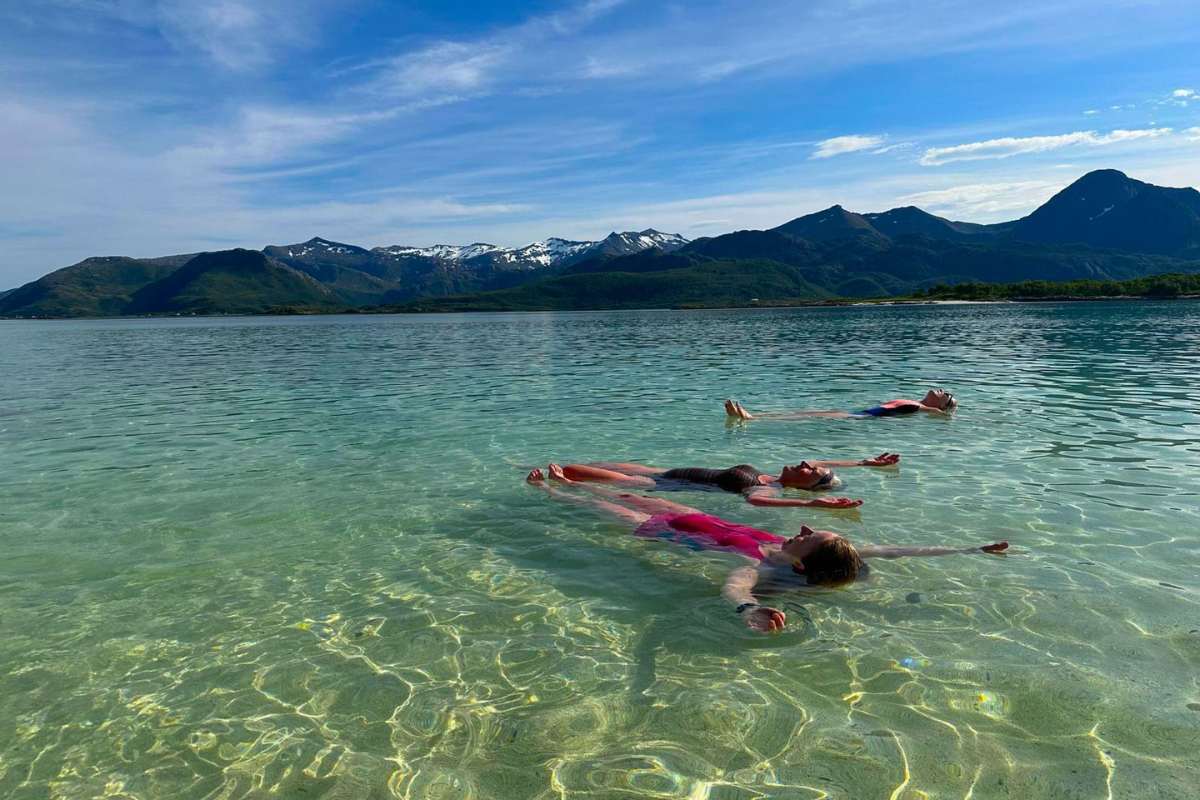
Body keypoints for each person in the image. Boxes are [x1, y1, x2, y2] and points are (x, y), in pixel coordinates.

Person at [526, 468, 1009, 633]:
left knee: (612, 510)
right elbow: (897, 550)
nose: (800, 526)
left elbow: (734, 585)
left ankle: (554, 491)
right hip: (699, 515)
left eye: (806, 535)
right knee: (632, 491)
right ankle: (572, 480)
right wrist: (967, 548)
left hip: (663, 530)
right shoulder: (793, 552)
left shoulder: (755, 566)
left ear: (802, 561)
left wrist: (747, 611)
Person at [543, 452, 901, 510]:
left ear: (807, 486)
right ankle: (522, 466)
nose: (808, 463)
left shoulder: (767, 488)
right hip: (663, 470)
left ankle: (557, 488)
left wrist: (808, 505)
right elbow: (822, 460)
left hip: (663, 486)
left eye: (813, 472)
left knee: (571, 470)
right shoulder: (773, 475)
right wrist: (863, 462)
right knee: (585, 462)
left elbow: (756, 503)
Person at [724, 389, 957, 421]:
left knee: (811, 416)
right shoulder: (915, 400)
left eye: (946, 395)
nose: (942, 391)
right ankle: (753, 416)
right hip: (861, 413)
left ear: (942, 404)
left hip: (863, 418)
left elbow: (942, 415)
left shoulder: (927, 408)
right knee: (808, 412)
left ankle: (751, 418)